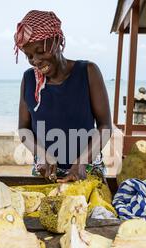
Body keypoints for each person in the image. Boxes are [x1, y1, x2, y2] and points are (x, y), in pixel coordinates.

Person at [15, 10, 112, 183]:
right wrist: (42, 154)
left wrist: (81, 163)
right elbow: (24, 129)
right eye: (29, 56)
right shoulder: (28, 79)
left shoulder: (88, 72)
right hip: (46, 172)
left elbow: (105, 126)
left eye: (41, 51)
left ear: (58, 40)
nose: (36, 61)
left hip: (86, 170)